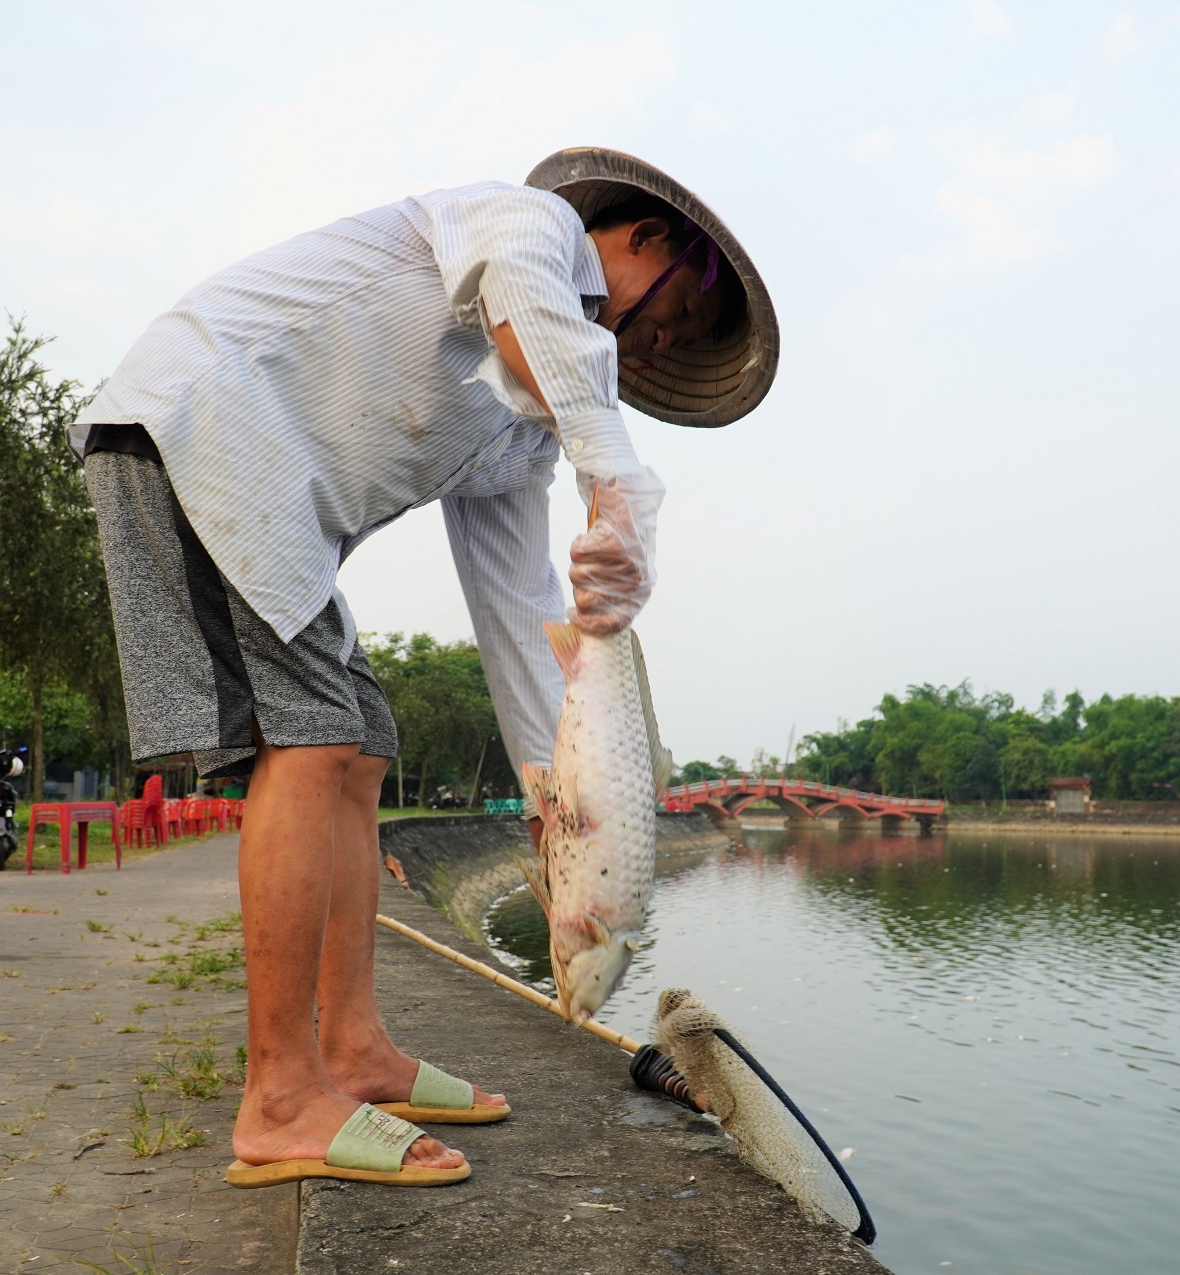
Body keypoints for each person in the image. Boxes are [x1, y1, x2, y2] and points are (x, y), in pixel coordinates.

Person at [73, 149, 777, 1186]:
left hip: (280, 511)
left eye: (667, 345)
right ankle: (278, 1098)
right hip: (201, 426)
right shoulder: (527, 226)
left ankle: (353, 1052)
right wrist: (619, 481)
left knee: (361, 748)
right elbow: (527, 305)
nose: (646, 346)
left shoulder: (529, 431)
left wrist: (562, 795)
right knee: (314, 741)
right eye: (663, 321)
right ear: (649, 241)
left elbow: (518, 604)